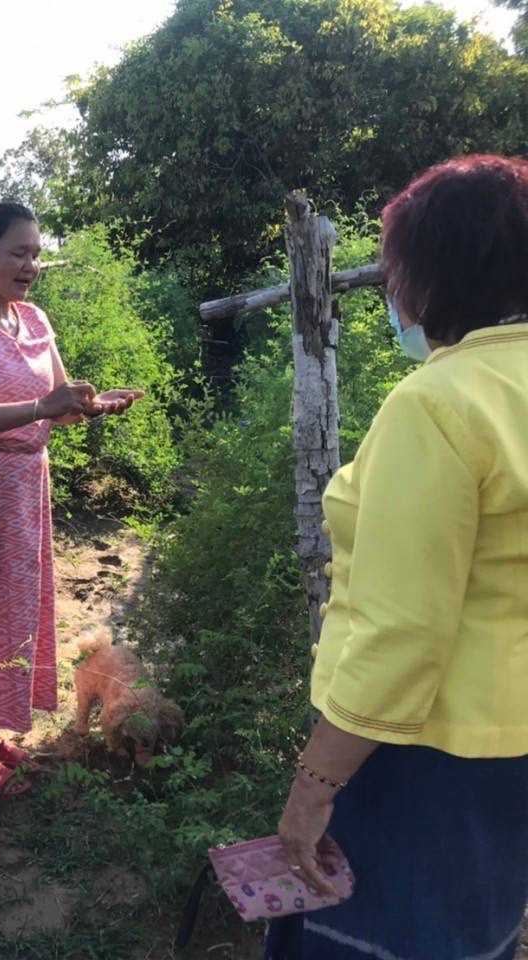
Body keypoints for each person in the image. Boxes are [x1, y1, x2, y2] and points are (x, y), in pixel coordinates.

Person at [269, 155, 528, 959]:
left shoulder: (439, 402)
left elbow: (403, 631)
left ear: (433, 275)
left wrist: (315, 788)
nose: (391, 292)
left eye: (395, 271)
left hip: (423, 755)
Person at [0, 202, 143, 797]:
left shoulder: (35, 321)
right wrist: (43, 406)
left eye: (37, 253)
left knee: (7, 608)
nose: (31, 265)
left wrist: (91, 404)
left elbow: (56, 404)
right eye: (19, 252)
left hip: (20, 485)